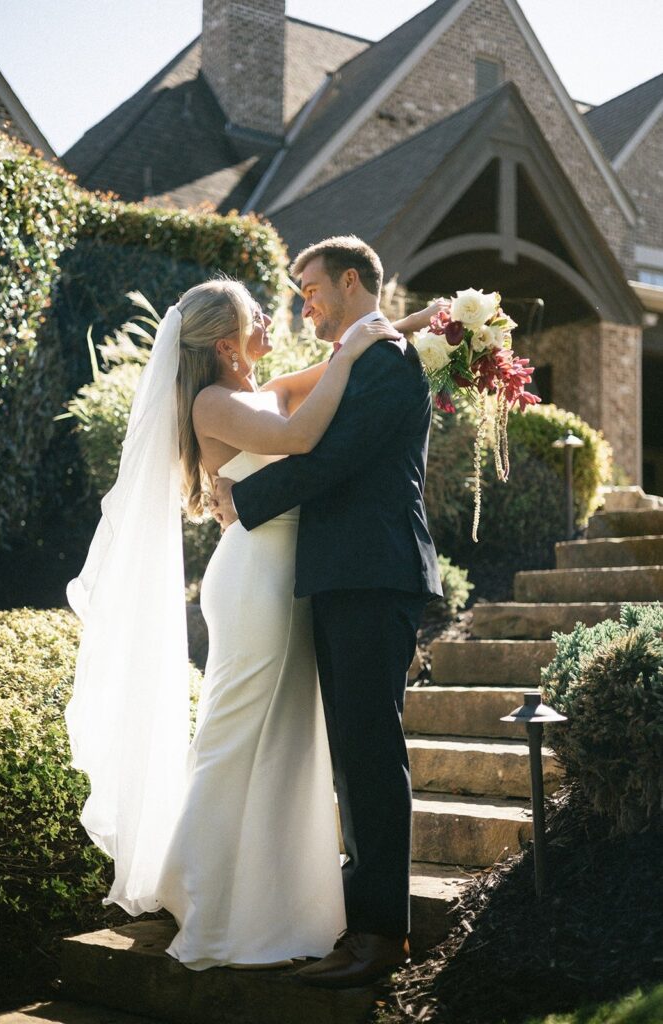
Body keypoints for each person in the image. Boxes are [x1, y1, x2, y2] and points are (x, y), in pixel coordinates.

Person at [65, 273, 437, 973]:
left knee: (284, 737)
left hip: (289, 578)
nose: (272, 317)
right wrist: (353, 354)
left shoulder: (254, 389)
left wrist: (415, 322)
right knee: (235, 730)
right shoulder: (214, 401)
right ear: (227, 342)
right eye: (256, 313)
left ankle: (269, 897)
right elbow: (300, 433)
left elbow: (330, 366)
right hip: (255, 580)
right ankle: (201, 891)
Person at [213, 236, 442, 989]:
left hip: (374, 575)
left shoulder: (384, 361)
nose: (301, 301)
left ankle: (381, 936)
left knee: (371, 751)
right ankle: (359, 921)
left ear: (351, 282)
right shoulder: (364, 352)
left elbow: (329, 460)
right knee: (352, 750)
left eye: (309, 288)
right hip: (343, 575)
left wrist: (241, 501)